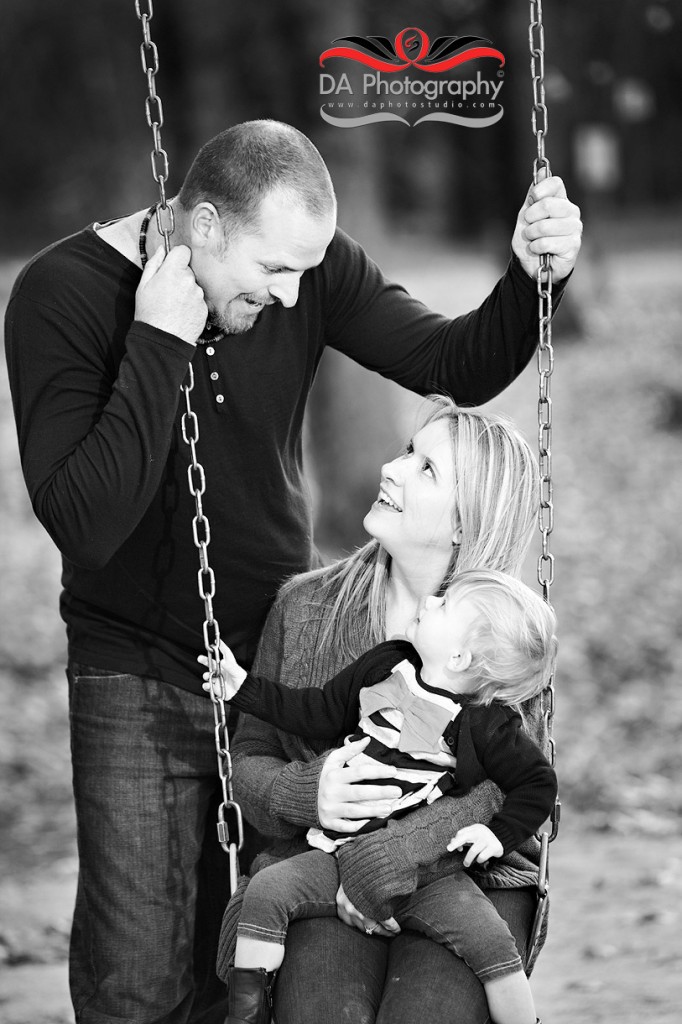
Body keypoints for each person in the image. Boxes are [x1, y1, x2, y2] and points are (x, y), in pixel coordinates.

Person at [3, 119, 580, 1024]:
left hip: (283, 657)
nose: (292, 294)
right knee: (136, 978)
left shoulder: (305, 263)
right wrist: (159, 342)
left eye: (307, 272)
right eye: (273, 271)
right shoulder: (60, 296)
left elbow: (451, 361)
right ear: (202, 230)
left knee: (251, 957)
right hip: (136, 671)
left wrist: (531, 275)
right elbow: (86, 523)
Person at [220, 399, 555, 1024]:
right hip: (323, 861)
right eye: (407, 451)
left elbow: (507, 793)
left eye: (426, 469)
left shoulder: (497, 641)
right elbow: (245, 759)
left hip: (464, 876)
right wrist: (306, 794)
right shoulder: (306, 609)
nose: (392, 469)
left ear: (465, 521)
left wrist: (390, 859)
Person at [202, 568, 558, 1024]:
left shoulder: (487, 722)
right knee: (268, 891)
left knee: (493, 945)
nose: (430, 602)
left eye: (444, 606)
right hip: (339, 854)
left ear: (459, 657)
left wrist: (499, 836)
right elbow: (316, 711)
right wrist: (242, 689)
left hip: (430, 875)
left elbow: (537, 784)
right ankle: (246, 1012)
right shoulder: (387, 666)